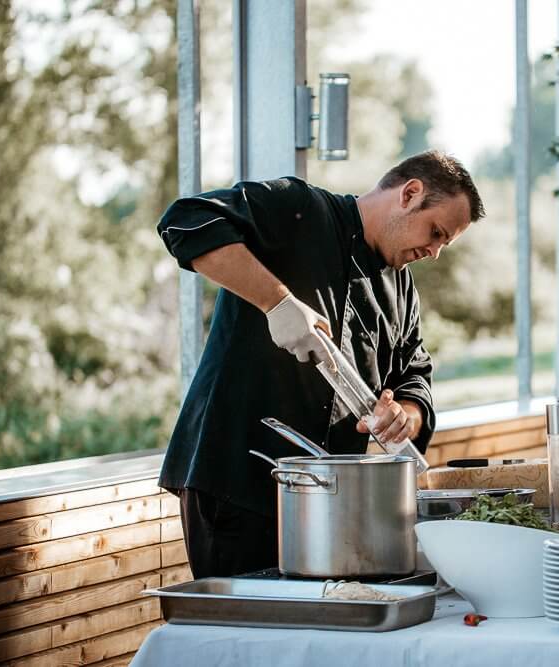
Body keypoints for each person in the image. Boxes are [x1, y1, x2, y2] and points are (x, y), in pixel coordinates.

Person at [155, 151, 485, 579]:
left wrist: (405, 415)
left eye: (444, 243)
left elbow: (415, 375)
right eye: (436, 232)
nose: (435, 252)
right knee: (247, 635)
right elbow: (185, 220)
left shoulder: (402, 289)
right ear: (410, 193)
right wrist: (277, 302)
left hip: (333, 502)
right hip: (236, 484)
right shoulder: (298, 208)